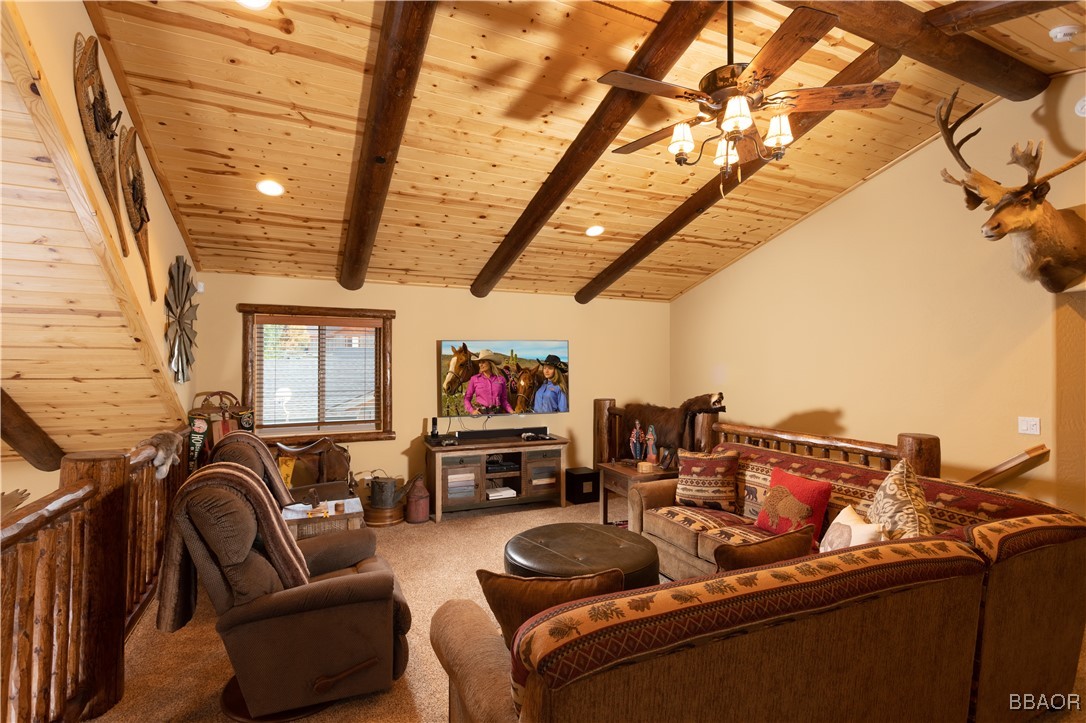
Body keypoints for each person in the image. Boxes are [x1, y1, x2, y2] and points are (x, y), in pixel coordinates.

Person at [463, 349, 514, 416]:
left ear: (490, 363)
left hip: (498, 415)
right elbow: (467, 399)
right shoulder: (474, 379)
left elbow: (504, 400)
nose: (480, 365)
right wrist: (472, 411)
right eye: (479, 362)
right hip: (481, 415)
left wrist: (511, 411)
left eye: (483, 362)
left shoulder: (501, 379)